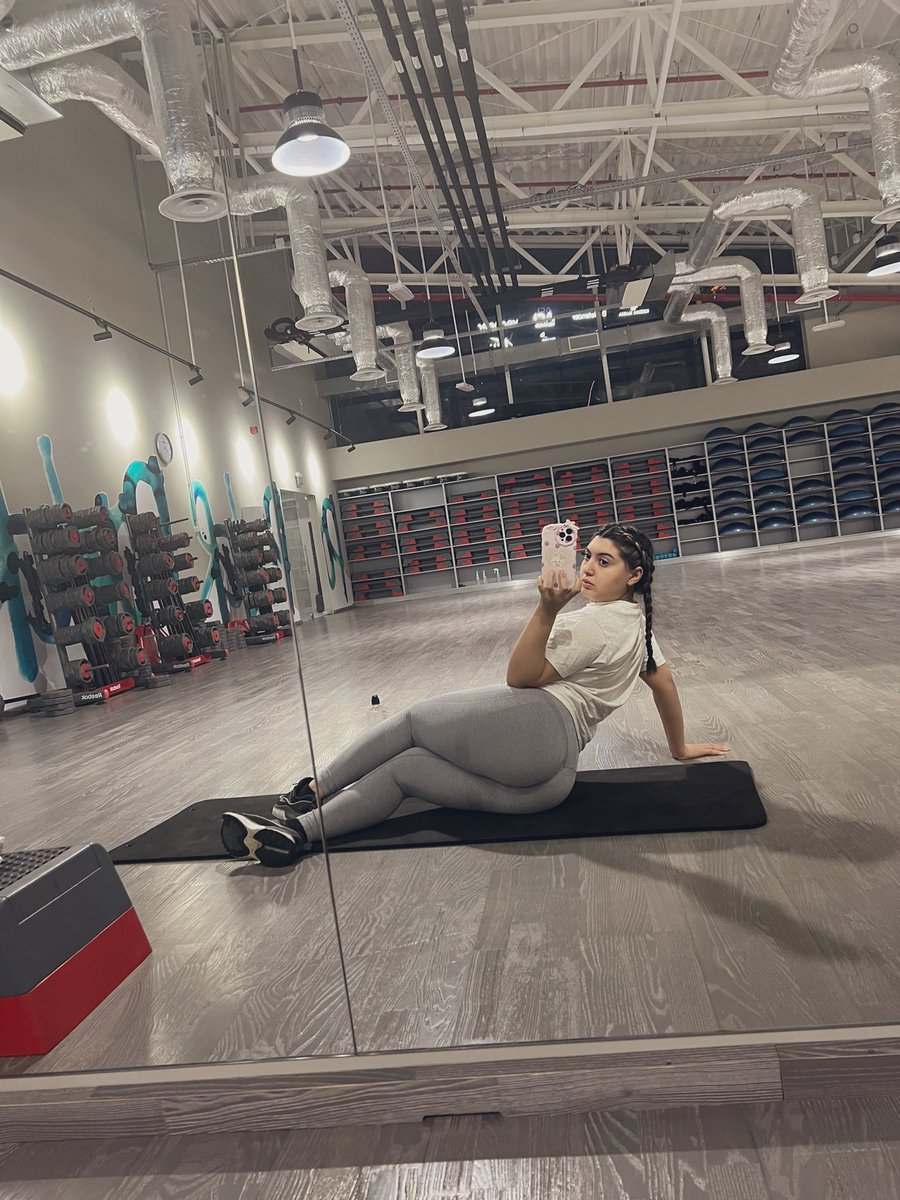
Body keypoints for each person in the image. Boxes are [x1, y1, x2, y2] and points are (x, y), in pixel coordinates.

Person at [221, 523, 729, 867]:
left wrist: (547, 610)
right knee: (406, 770)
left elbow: (520, 677)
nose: (588, 568)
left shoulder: (594, 623)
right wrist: (679, 748)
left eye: (605, 561)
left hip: (538, 731)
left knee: (414, 720)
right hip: (552, 783)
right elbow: (663, 682)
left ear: (633, 575)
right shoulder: (638, 623)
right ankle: (298, 835)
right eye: (588, 557)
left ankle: (310, 793)